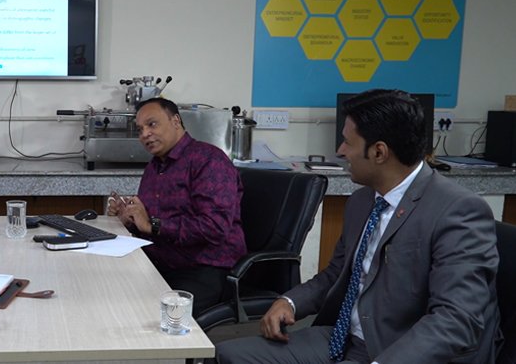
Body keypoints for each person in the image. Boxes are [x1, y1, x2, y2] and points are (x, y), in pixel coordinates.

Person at [216, 89, 500, 364]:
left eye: (347, 143)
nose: (340, 151)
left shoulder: (457, 211)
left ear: (379, 152)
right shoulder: (362, 201)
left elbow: (456, 320)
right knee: (227, 355)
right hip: (342, 339)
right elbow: (337, 273)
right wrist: (289, 302)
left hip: (394, 351)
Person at [107, 97, 246, 315]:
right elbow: (152, 223)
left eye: (152, 124)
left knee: (146, 316)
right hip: (161, 262)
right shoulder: (154, 167)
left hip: (204, 268)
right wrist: (130, 219)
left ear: (175, 121)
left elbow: (214, 227)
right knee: (107, 293)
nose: (145, 134)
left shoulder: (209, 160)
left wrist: (151, 224)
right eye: (140, 129)